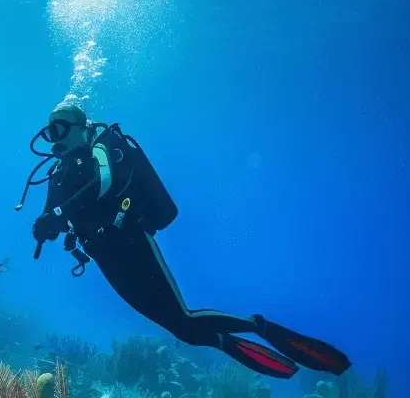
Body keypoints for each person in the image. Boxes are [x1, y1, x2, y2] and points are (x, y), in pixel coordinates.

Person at [18, 98, 351, 379]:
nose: (53, 138)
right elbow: (54, 216)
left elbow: (104, 183)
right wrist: (45, 226)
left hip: (132, 243)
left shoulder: (106, 150)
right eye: (49, 131)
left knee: (186, 318)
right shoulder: (59, 172)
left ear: (80, 126)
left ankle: (260, 326)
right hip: (105, 256)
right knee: (183, 331)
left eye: (60, 128)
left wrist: (59, 216)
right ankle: (225, 341)